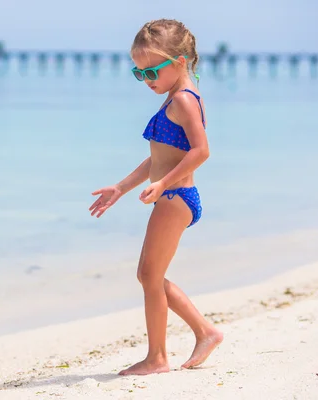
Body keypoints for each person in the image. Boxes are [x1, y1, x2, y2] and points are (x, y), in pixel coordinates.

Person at [89, 19, 223, 376]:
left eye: (152, 71)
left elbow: (201, 151)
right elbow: (160, 157)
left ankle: (158, 358)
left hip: (176, 197)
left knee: (149, 277)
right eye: (139, 73)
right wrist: (121, 188)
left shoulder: (183, 99)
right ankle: (205, 332)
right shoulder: (175, 98)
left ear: (179, 62)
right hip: (175, 194)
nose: (147, 79)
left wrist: (163, 185)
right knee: (150, 276)